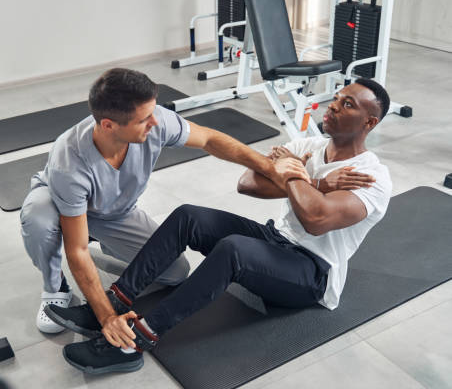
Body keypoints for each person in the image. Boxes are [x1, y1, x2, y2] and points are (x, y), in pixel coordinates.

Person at [46, 78, 393, 374]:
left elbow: (315, 220)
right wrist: (314, 184)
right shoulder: (309, 146)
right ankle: (113, 302)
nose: (331, 107)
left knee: (234, 251)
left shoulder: (372, 177)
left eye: (346, 105)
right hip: (277, 239)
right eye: (334, 98)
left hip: (312, 273)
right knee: (189, 216)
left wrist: (291, 172)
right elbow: (248, 183)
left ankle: (134, 343)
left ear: (369, 122)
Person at [20, 68, 308, 333]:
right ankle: (55, 286)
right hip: (59, 203)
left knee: (175, 272)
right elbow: (78, 249)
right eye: (144, 119)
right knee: (39, 219)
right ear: (108, 125)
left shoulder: (155, 120)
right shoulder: (69, 163)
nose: (155, 122)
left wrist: (269, 167)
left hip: (114, 213)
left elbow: (210, 139)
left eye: (153, 112)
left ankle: (106, 244)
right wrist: (107, 317)